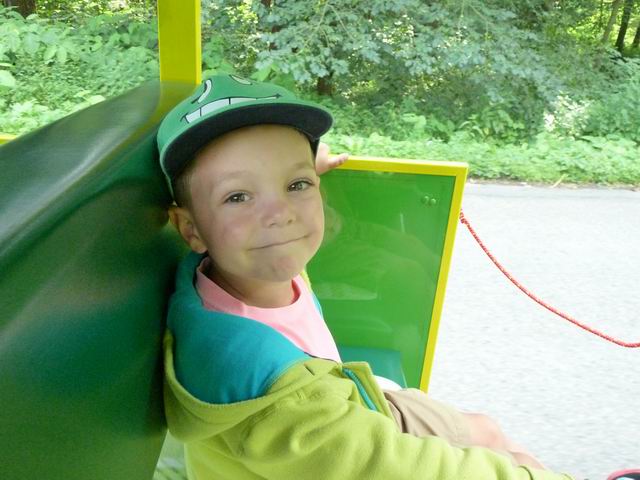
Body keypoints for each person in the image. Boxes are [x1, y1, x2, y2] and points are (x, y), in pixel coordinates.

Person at [156, 74, 574, 479]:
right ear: (190, 229)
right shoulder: (262, 387)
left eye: (297, 184)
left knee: (489, 431)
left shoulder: (242, 265)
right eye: (238, 196)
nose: (279, 213)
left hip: (343, 396)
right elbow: (391, 469)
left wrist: (298, 171)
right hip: (337, 430)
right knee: (519, 463)